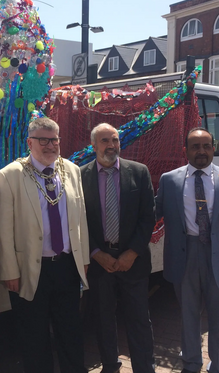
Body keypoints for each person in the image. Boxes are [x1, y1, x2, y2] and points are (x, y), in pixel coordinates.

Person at [155, 127, 219, 373]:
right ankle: (191, 364)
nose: (201, 151)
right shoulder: (170, 180)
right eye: (195, 146)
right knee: (188, 316)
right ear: (185, 150)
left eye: (206, 146)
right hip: (184, 256)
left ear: (213, 148)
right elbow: (151, 215)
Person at [0, 118, 90, 373]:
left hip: (66, 267)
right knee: (34, 337)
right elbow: (3, 229)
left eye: (54, 140)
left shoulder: (72, 170)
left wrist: (82, 257)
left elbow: (80, 216)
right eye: (43, 140)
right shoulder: (9, 176)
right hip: (30, 270)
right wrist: (9, 272)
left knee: (70, 331)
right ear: (30, 142)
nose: (50, 145)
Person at [81, 123, 156, 373]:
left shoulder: (139, 172)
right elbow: (77, 221)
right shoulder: (80, 176)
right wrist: (95, 253)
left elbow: (148, 217)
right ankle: (110, 366)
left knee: (138, 320)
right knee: (103, 319)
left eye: (114, 140)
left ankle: (144, 368)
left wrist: (131, 253)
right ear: (94, 146)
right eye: (104, 140)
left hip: (133, 261)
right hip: (99, 262)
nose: (111, 145)